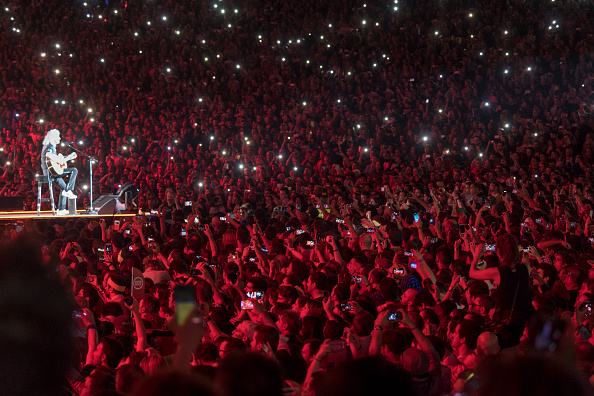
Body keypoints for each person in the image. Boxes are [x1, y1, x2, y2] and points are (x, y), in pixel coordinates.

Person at [40, 129, 78, 215]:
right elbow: (49, 156)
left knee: (63, 188)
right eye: (58, 136)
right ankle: (69, 190)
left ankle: (61, 209)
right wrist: (67, 158)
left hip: (52, 171)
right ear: (53, 137)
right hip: (50, 172)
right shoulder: (49, 146)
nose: (60, 138)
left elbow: (56, 160)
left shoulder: (51, 146)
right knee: (74, 170)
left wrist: (68, 157)